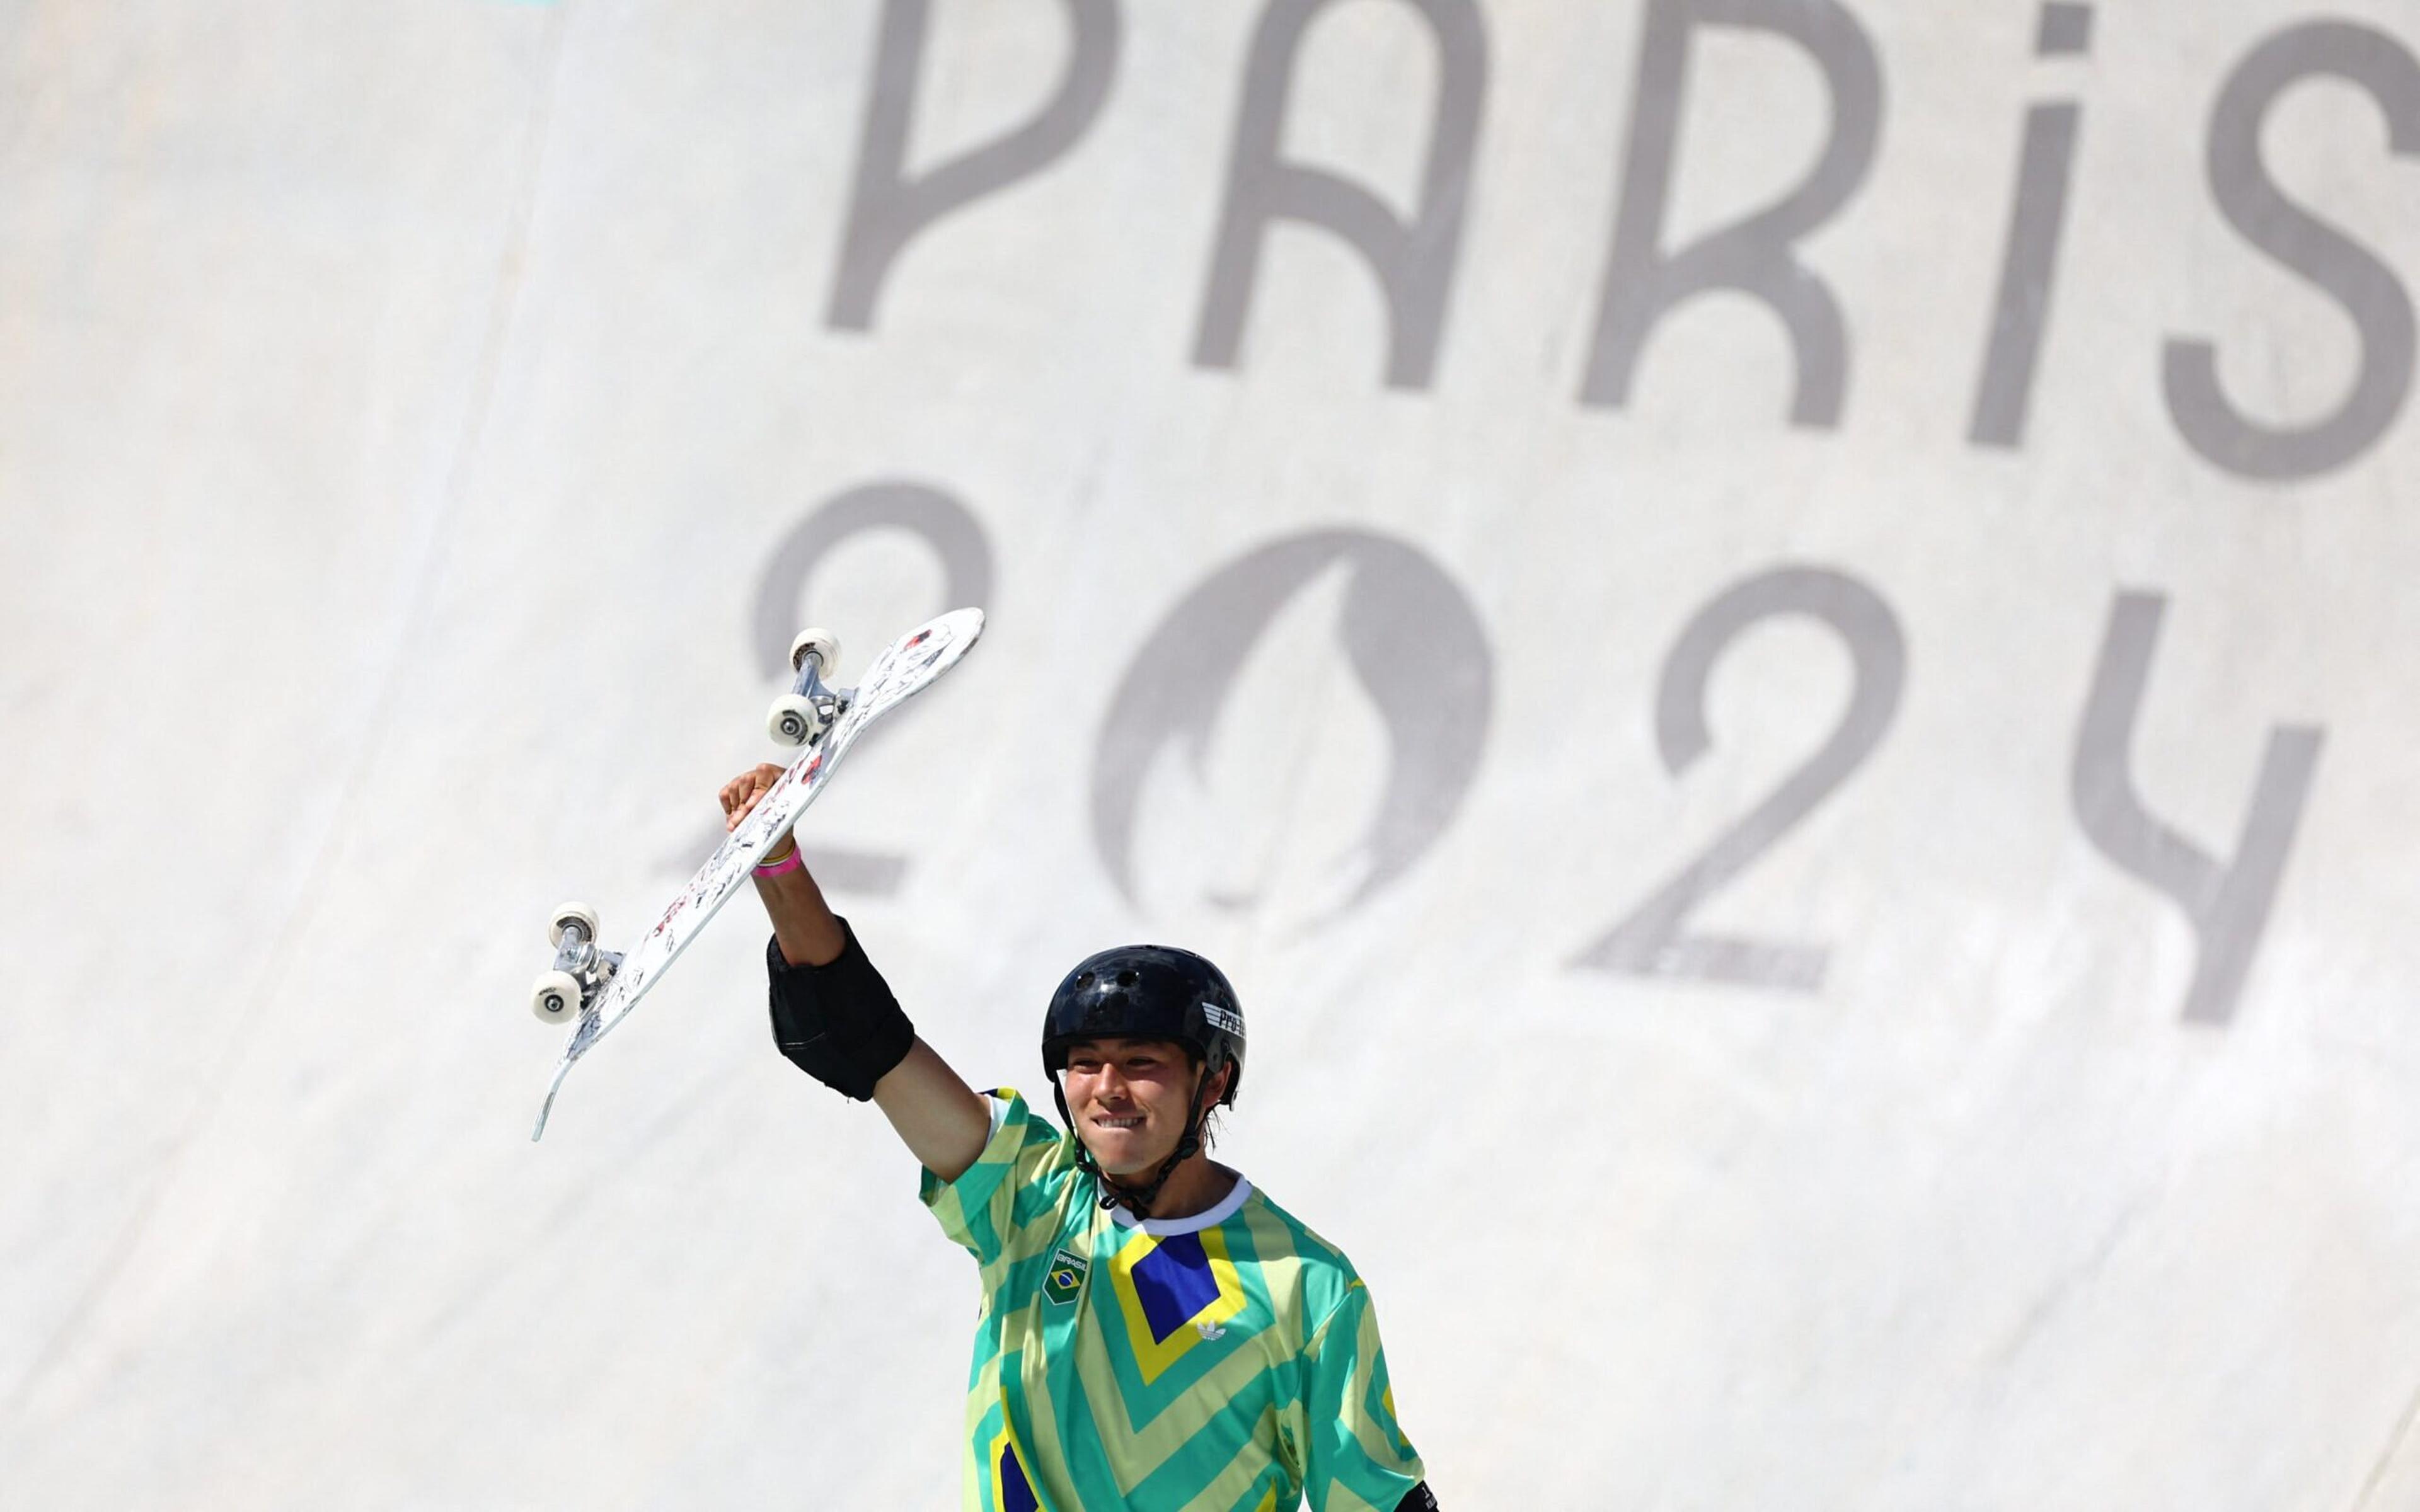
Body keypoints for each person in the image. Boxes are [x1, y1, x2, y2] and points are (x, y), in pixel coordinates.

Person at [720, 764, 1439, 1512]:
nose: (1107, 1089)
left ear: (1214, 1084)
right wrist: (778, 866)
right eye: (1084, 1064)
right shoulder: (1029, 1198)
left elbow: (1376, 1500)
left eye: (1142, 1064)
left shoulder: (1307, 1288)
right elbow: (866, 1042)